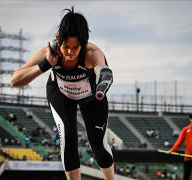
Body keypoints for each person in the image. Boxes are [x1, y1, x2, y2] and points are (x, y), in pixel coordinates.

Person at [11, 7, 114, 180]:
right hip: (60, 93)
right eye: (66, 46)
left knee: (98, 145)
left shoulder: (92, 53)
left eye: (76, 48)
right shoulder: (51, 51)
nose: (70, 53)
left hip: (91, 96)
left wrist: (103, 83)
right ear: (59, 40)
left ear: (84, 43)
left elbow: (105, 73)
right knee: (68, 137)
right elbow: (15, 80)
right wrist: (46, 64)